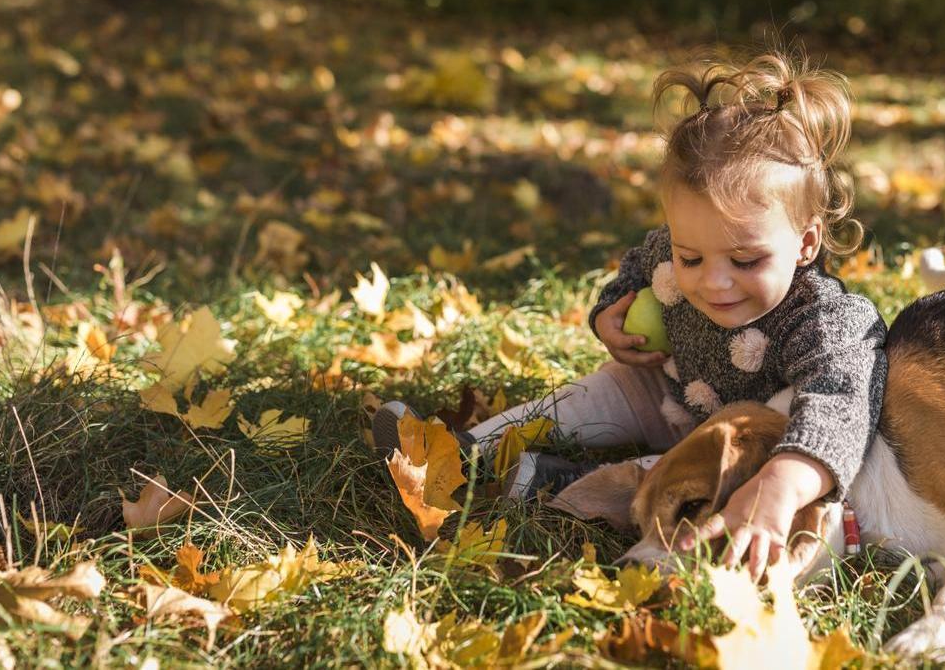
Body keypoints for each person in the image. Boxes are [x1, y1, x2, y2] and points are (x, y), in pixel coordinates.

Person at [374, 51, 887, 578]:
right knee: (601, 390)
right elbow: (634, 271)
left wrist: (782, 480)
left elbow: (841, 404)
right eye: (691, 257)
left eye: (745, 260)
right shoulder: (669, 250)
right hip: (665, 391)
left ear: (805, 245)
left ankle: (553, 483)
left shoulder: (826, 319)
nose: (712, 281)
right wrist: (607, 318)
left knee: (666, 479)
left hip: (729, 450)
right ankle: (462, 452)